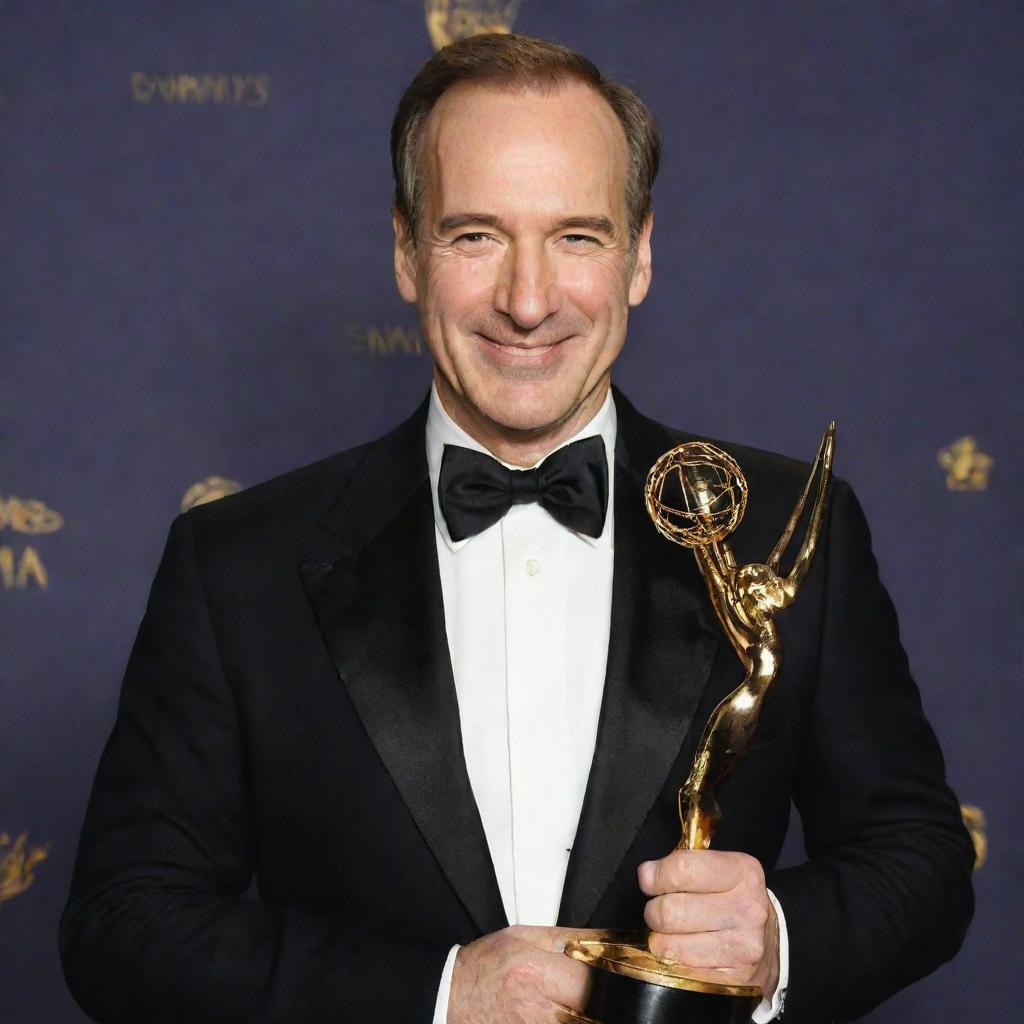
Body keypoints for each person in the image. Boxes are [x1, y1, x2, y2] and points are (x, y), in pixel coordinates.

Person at [60, 33, 974, 1024]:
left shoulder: (788, 525)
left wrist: (774, 941)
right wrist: (441, 996)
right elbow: (124, 924)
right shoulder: (235, 566)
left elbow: (918, 861)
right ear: (407, 251)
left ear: (640, 253)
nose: (528, 301)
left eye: (577, 236)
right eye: (475, 236)